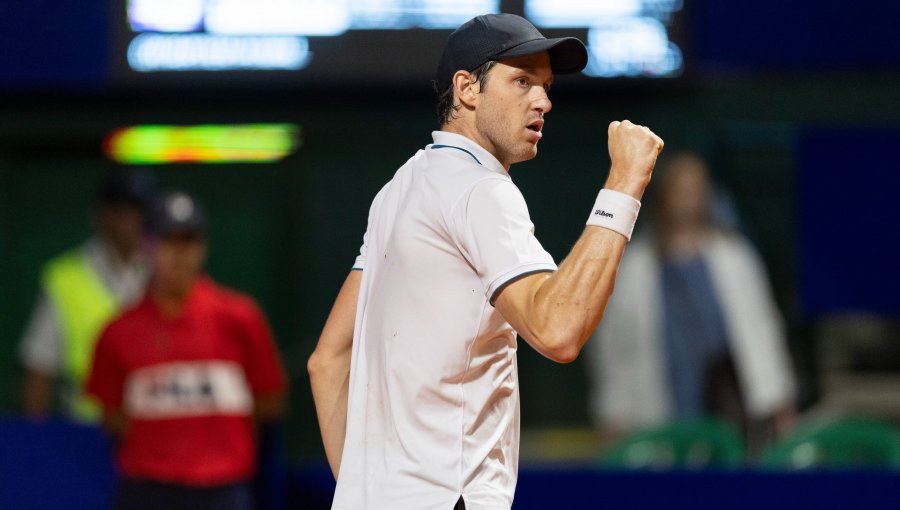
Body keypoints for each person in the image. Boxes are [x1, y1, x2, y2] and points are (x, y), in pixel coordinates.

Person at [308, 13, 663, 510]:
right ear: (467, 89)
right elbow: (558, 329)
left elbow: (328, 362)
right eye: (521, 81)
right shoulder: (480, 191)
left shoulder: (401, 186)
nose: (543, 100)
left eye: (545, 86)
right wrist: (624, 183)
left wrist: (364, 490)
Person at [85, 191, 287, 510]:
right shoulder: (117, 332)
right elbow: (111, 416)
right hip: (148, 492)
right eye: (167, 240)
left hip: (224, 491)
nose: (179, 253)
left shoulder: (240, 318)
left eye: (189, 241)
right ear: (146, 245)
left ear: (203, 247)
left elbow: (269, 403)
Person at [584, 150, 797, 454]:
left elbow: (763, 329)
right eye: (681, 189)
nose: (689, 199)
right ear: (664, 196)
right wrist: (613, 409)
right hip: (663, 403)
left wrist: (778, 396)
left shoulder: (734, 255)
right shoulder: (634, 268)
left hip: (730, 408)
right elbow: (614, 346)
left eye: (697, 189)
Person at [19, 171, 152, 422]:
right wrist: (36, 444)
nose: (135, 222)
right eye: (124, 212)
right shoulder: (65, 278)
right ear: (102, 216)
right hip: (87, 433)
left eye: (142, 213)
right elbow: (38, 368)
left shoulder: (162, 272)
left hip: (153, 431)